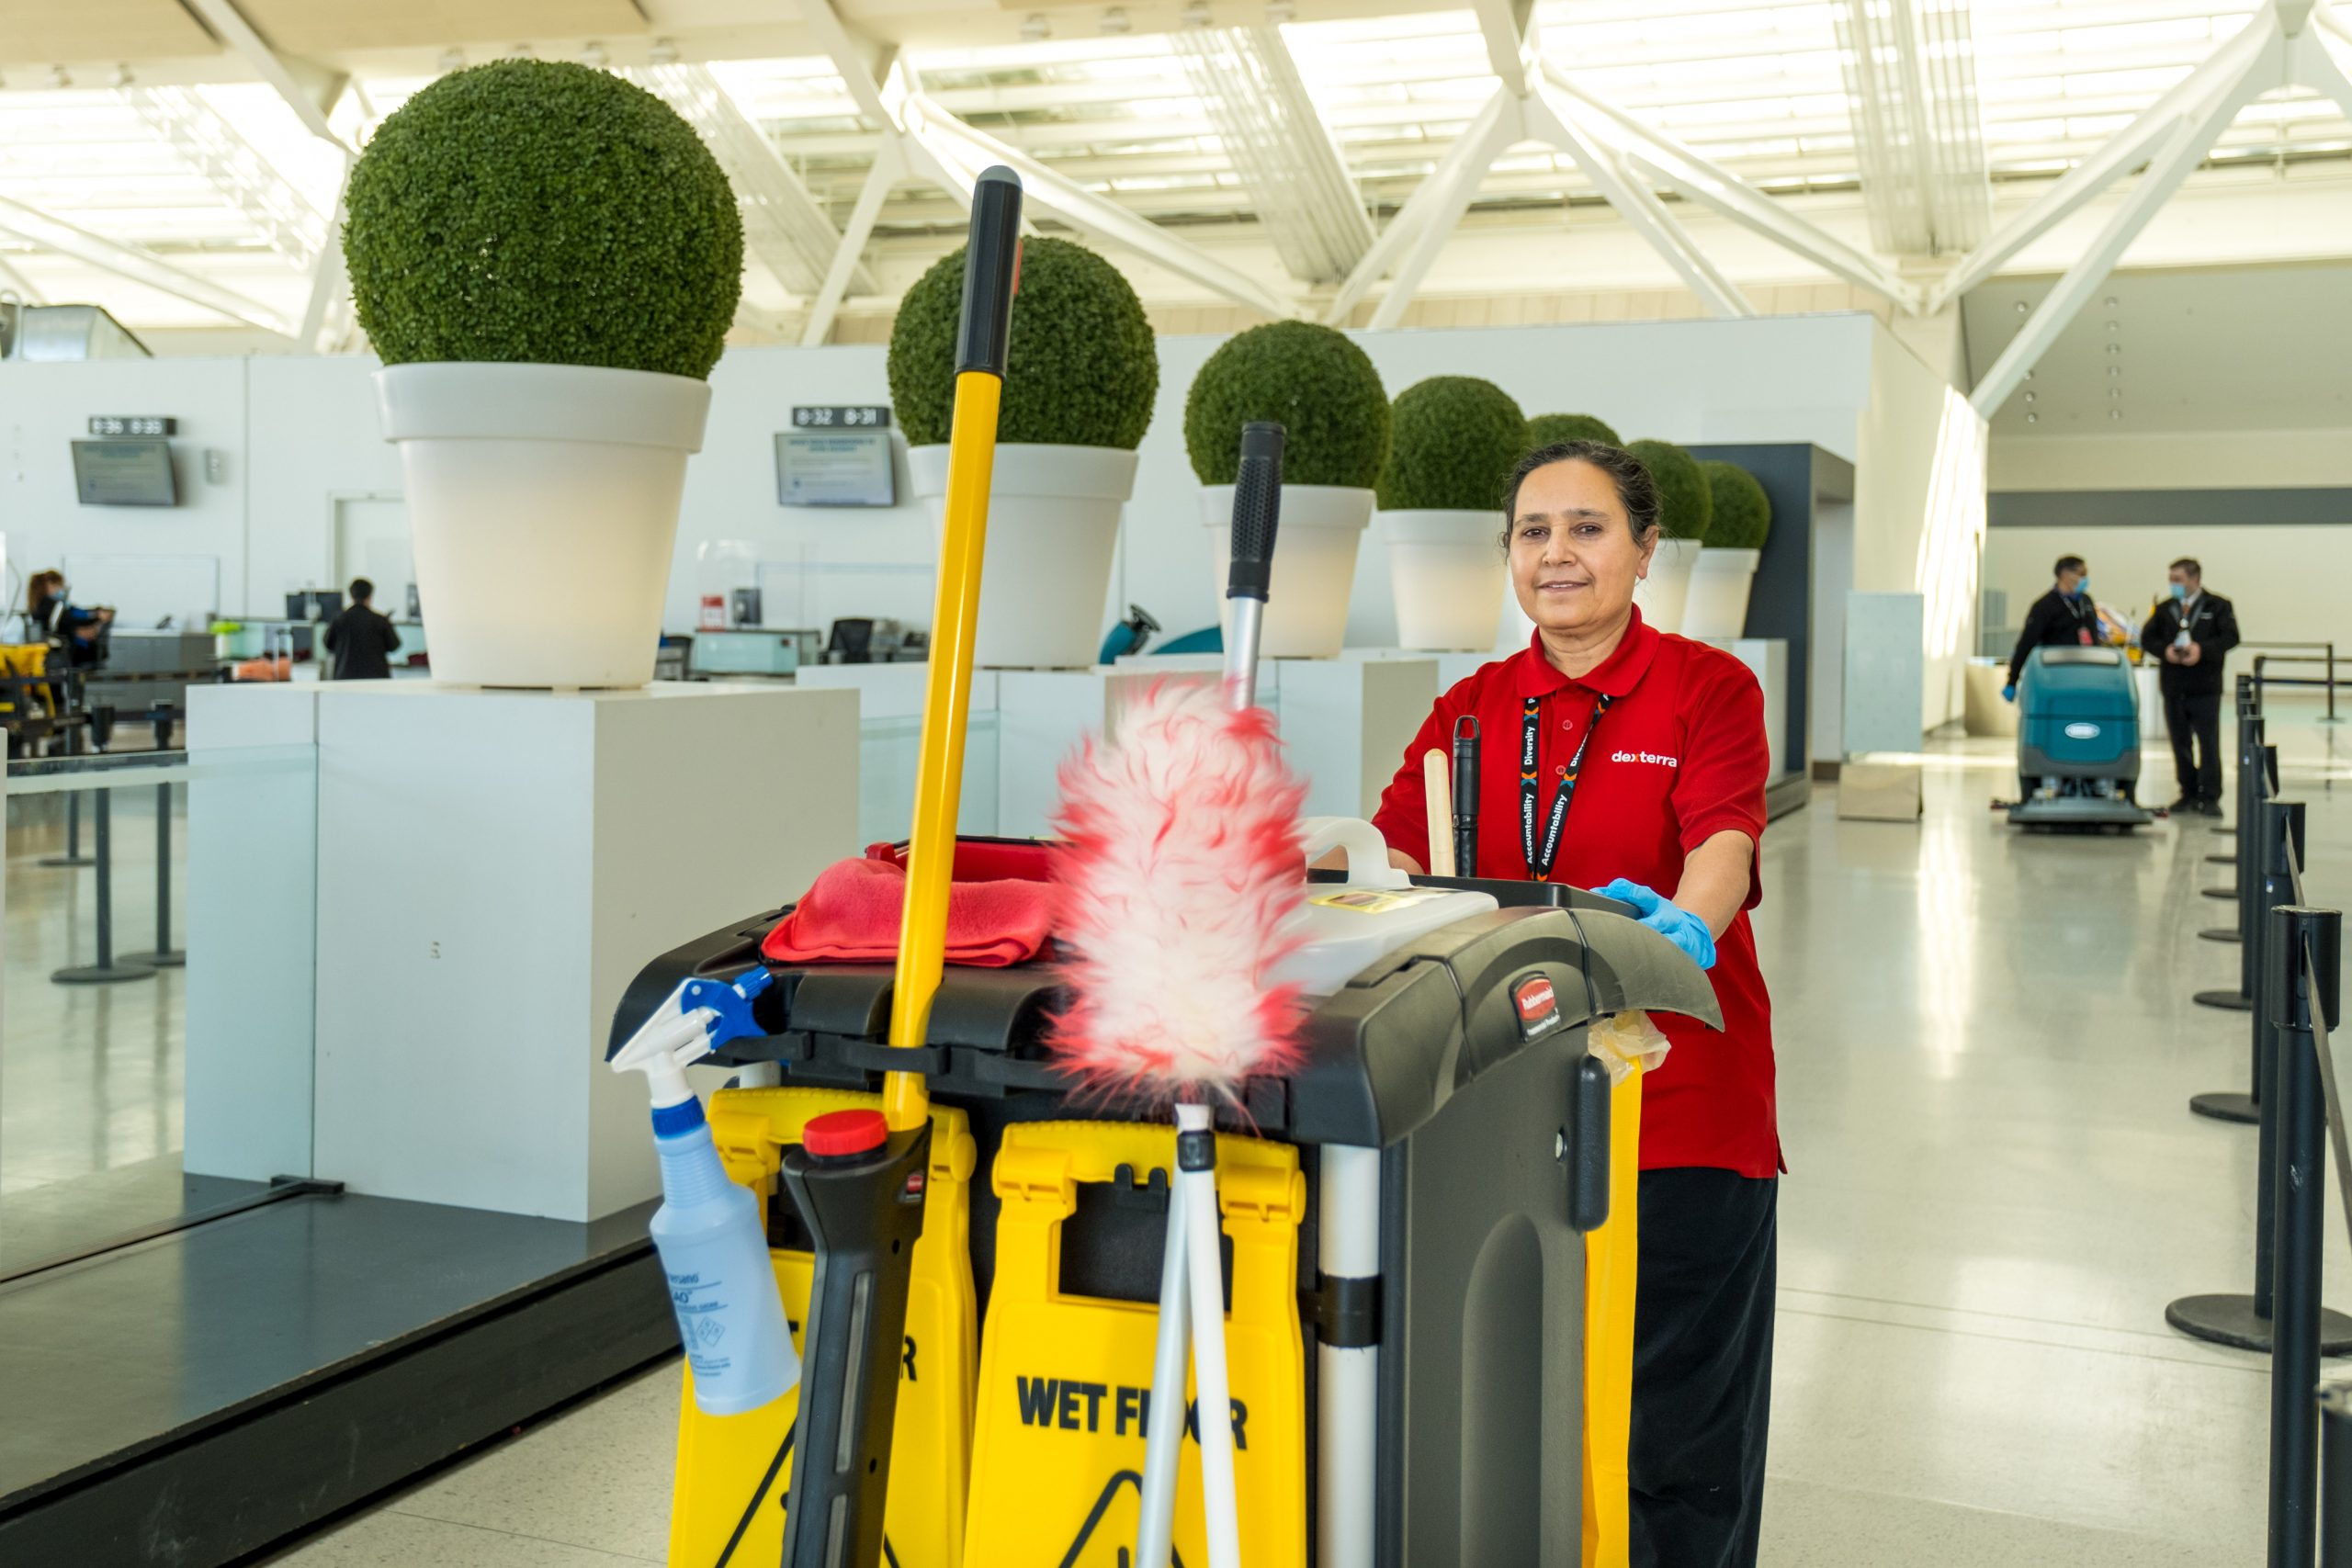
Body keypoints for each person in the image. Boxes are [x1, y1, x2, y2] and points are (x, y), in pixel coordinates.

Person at [1367, 440, 1776, 1567]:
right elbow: (1389, 863)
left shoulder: (1707, 687)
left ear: (1645, 550)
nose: (1557, 553)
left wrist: (1682, 933)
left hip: (1682, 1109)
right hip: (1504, 1116)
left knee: (1677, 1432)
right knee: (1521, 1419)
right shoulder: (1472, 710)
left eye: (1587, 528)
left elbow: (1725, 842)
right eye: (1532, 531)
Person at [2138, 557, 2239, 816]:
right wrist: (2166, 651)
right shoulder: (2165, 608)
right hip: (2174, 688)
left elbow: (2231, 637)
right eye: (2171, 579)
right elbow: (2147, 638)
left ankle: (2210, 795)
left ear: (2194, 579)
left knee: (2208, 743)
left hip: (2205, 687)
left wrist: (2201, 650)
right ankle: (2188, 791)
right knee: (2180, 743)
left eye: (2178, 579)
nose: (2173, 584)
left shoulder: (2218, 606)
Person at [2003, 554, 2100, 702]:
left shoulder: (2086, 601)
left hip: (2085, 671)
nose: (2085, 579)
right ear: (2066, 575)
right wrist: (2012, 681)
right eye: (2082, 574)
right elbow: (2026, 644)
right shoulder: (2044, 606)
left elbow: (2094, 637)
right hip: (2056, 673)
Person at [323, 578, 401, 681]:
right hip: (376, 679)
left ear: (351, 595)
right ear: (370, 595)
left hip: (345, 678)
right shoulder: (380, 620)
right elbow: (394, 645)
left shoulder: (339, 619)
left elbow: (327, 644)